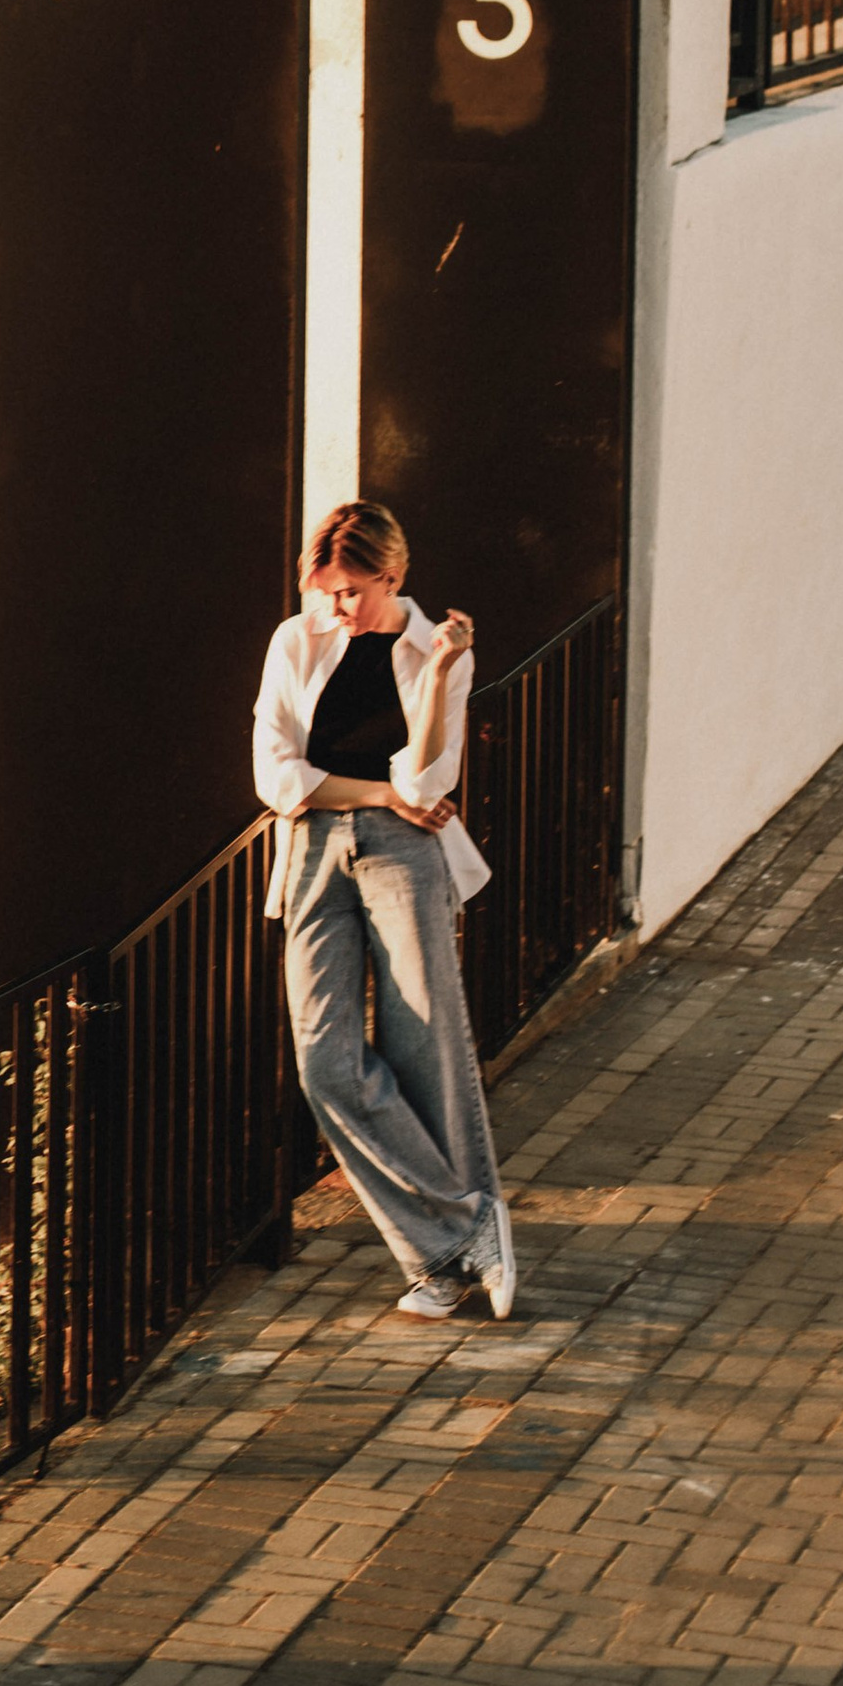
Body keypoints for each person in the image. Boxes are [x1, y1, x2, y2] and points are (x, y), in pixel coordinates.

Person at [252, 499, 514, 1321]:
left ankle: (436, 1264)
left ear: (392, 578)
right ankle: (469, 1223)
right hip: (314, 855)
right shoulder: (295, 640)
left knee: (426, 1046)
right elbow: (274, 772)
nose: (334, 607)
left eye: (351, 591)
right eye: (324, 590)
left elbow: (427, 785)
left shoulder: (433, 650)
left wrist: (437, 675)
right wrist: (377, 794)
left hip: (407, 859)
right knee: (326, 1064)